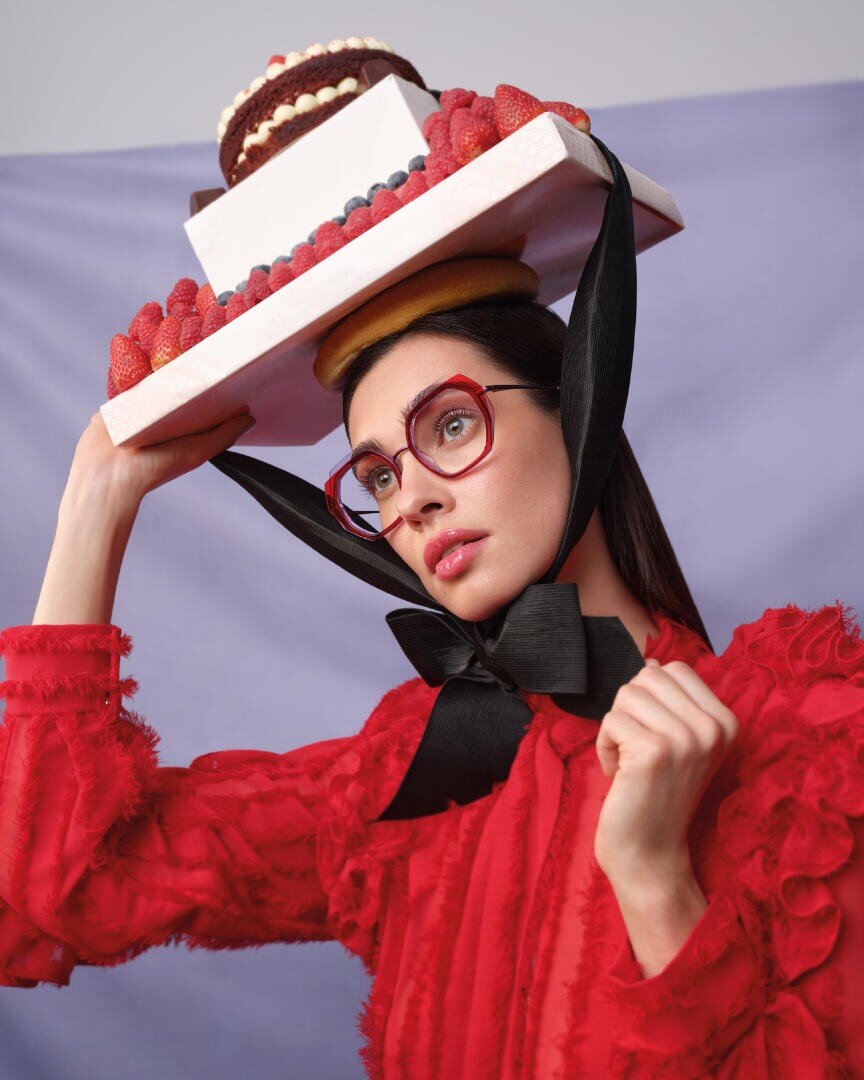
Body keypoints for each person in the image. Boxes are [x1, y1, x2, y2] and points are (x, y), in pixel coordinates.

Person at [1, 137, 862, 1079]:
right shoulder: (402, 779)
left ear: (577, 408)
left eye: (449, 425)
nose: (408, 500)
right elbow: (64, 883)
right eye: (376, 475)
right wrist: (96, 496)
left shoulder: (808, 746)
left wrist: (654, 875)